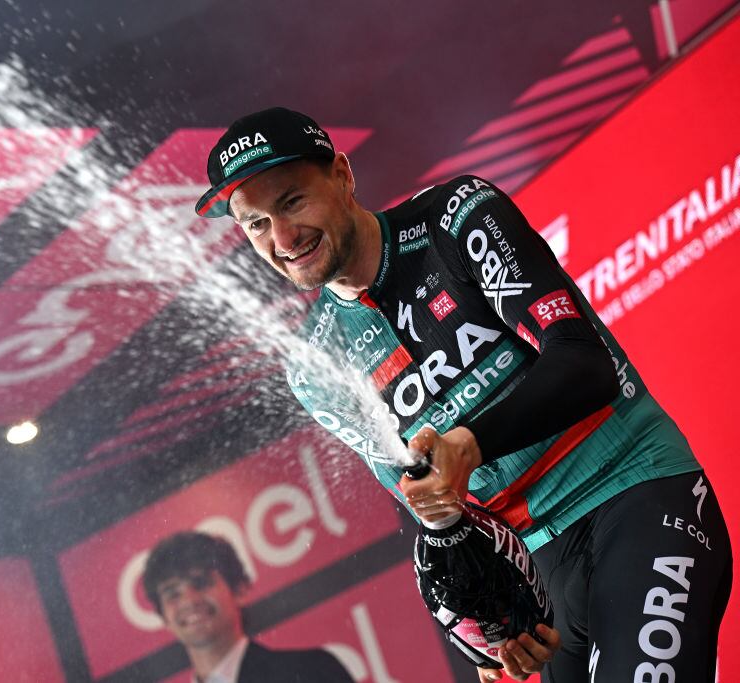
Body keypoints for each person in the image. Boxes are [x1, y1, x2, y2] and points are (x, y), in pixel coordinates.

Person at [193, 107, 732, 683]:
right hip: (542, 576)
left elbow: (583, 363)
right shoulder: (315, 370)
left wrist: (469, 445)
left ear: (343, 176)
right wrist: (491, 631)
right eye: (255, 224)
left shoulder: (457, 218)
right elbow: (444, 514)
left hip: (635, 493)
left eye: (293, 202)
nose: (282, 237)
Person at [142, 530, 355, 683]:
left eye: (201, 582)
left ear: (239, 590)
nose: (189, 601)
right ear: (164, 619)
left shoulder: (309, 671)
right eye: (172, 593)